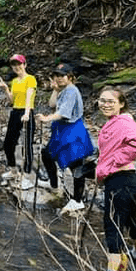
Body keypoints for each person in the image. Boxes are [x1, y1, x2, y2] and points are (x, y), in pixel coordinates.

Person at [96, 87, 136, 271]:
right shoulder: (114, 122)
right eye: (102, 100)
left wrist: (112, 163)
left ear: (121, 104)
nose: (105, 104)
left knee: (113, 226)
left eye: (110, 101)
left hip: (120, 179)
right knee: (131, 219)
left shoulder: (124, 122)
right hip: (128, 179)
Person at [36, 63, 94, 214]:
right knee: (47, 154)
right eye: (56, 75)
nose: (59, 78)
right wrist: (55, 89)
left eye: (62, 75)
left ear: (70, 77)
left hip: (72, 130)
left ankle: (77, 201)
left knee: (76, 166)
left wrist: (47, 119)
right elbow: (52, 104)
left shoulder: (71, 91)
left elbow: (63, 112)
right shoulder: (63, 90)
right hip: (62, 130)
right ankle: (54, 184)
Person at [0, 54, 36, 174]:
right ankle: (13, 169)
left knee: (27, 145)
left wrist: (26, 113)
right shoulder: (14, 81)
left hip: (27, 111)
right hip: (15, 112)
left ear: (24, 65)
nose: (16, 67)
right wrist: (6, 90)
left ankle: (27, 173)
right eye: (14, 65)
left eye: (19, 64)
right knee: (8, 143)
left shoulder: (30, 79)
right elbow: (11, 101)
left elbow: (29, 96)